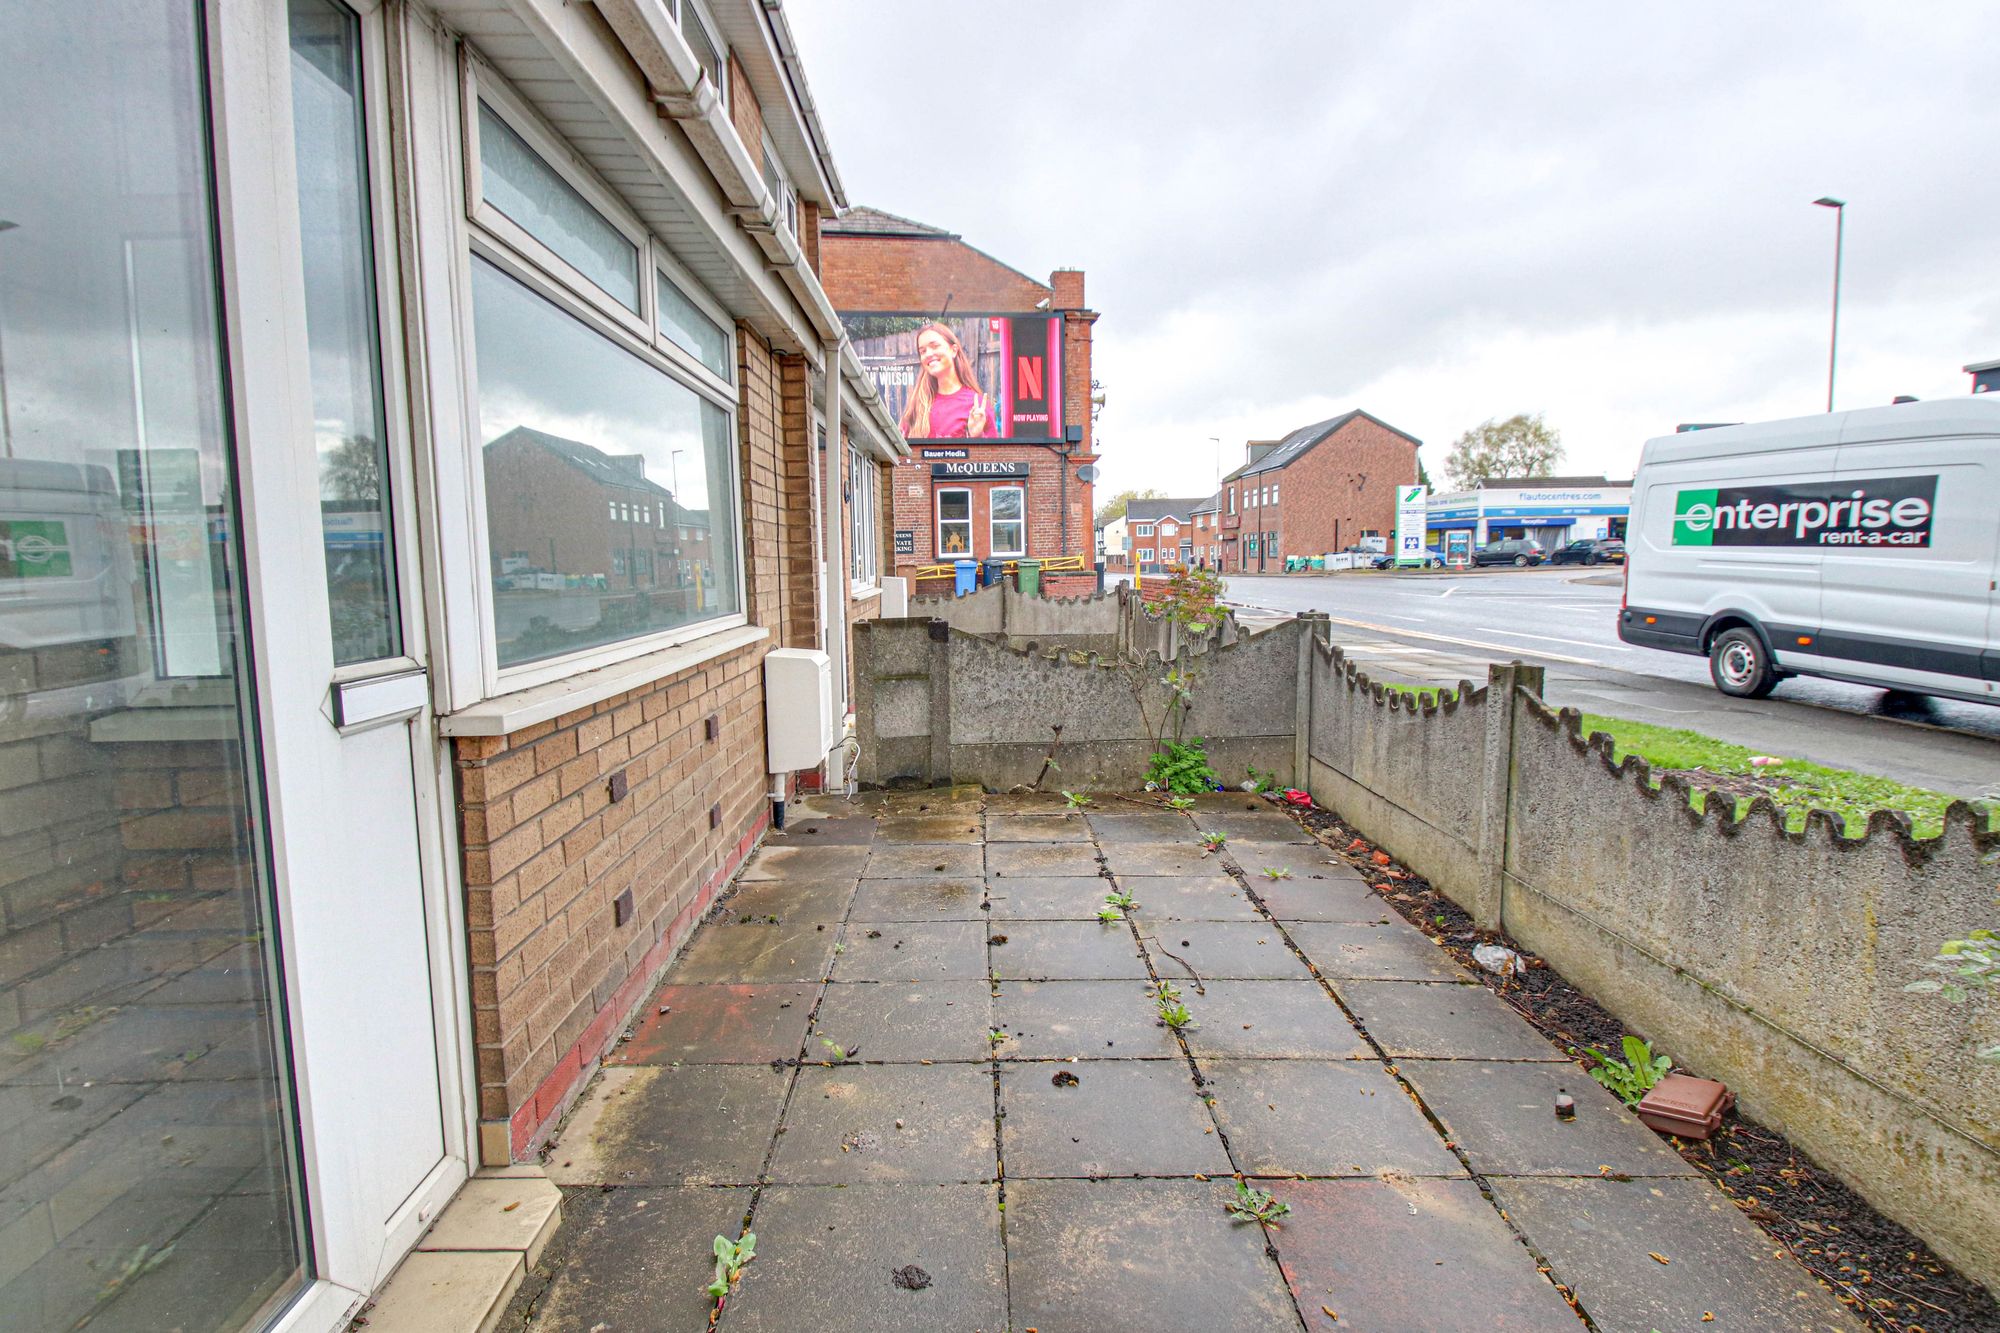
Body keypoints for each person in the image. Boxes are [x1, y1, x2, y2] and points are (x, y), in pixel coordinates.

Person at [898, 322, 998, 439]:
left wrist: (977, 436)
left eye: (935, 346)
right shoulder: (916, 405)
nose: (928, 354)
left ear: (954, 350)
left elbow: (992, 450)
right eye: (923, 351)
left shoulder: (977, 406)